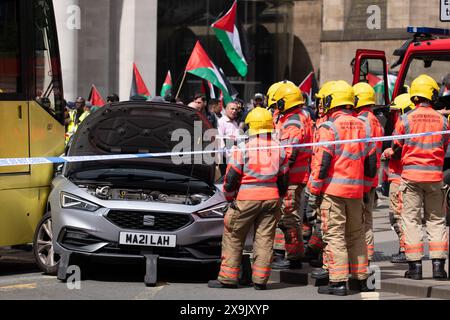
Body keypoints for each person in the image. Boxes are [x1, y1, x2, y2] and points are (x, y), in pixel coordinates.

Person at [306, 80, 377, 296]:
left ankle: (338, 283)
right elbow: (371, 163)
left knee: (334, 236)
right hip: (356, 192)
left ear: (331, 101)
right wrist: (365, 189)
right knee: (356, 235)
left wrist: (314, 191)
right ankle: (361, 279)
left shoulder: (329, 127)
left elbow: (322, 163)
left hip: (333, 192)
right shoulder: (363, 125)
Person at [208, 107, 289, 290]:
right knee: (265, 239)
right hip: (272, 199)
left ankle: (228, 279)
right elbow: (284, 179)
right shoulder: (279, 148)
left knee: (233, 235)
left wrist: (229, 198)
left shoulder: (243, 147)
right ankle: (260, 281)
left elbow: (231, 178)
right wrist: (279, 197)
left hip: (246, 199)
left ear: (251, 127)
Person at [393, 74, 449, 280]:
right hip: (435, 177)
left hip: (411, 178)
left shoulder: (405, 119)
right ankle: (438, 268)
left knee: (412, 221)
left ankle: (415, 268)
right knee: (436, 220)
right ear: (432, 94)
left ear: (414, 96)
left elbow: (396, 147)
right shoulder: (442, 120)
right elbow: (444, 145)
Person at [266, 81, 310, 270]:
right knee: (284, 215)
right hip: (291, 177)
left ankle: (293, 256)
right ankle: (284, 253)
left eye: (277, 104)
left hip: (291, 178)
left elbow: (288, 155)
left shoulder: (293, 122)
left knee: (289, 216)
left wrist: (273, 173)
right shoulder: (295, 117)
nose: (275, 108)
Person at [381, 93, 415, 264]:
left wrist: (390, 153)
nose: (394, 115)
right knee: (399, 216)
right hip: (401, 178)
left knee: (398, 216)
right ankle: (406, 248)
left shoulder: (405, 125)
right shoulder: (409, 125)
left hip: (400, 179)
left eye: (396, 112)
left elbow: (400, 150)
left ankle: (405, 249)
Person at [353, 82, 384, 263]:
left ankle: (362, 257)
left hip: (362, 178)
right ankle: (369, 254)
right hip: (372, 178)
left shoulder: (362, 121)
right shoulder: (375, 121)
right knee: (368, 219)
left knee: (359, 220)